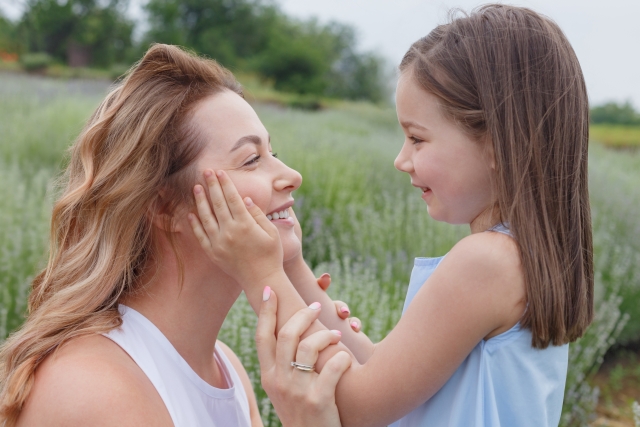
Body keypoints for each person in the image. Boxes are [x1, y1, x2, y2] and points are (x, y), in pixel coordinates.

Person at [188, 4, 593, 426]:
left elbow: (357, 407)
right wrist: (292, 268)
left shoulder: (487, 262)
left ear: (495, 143)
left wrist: (259, 272)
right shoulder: (516, 258)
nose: (402, 160)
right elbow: (382, 375)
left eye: (417, 138)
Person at [0, 44, 355, 427]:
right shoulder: (94, 386)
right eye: (251, 159)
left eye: (273, 152)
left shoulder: (227, 371)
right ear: (165, 207)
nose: (292, 175)